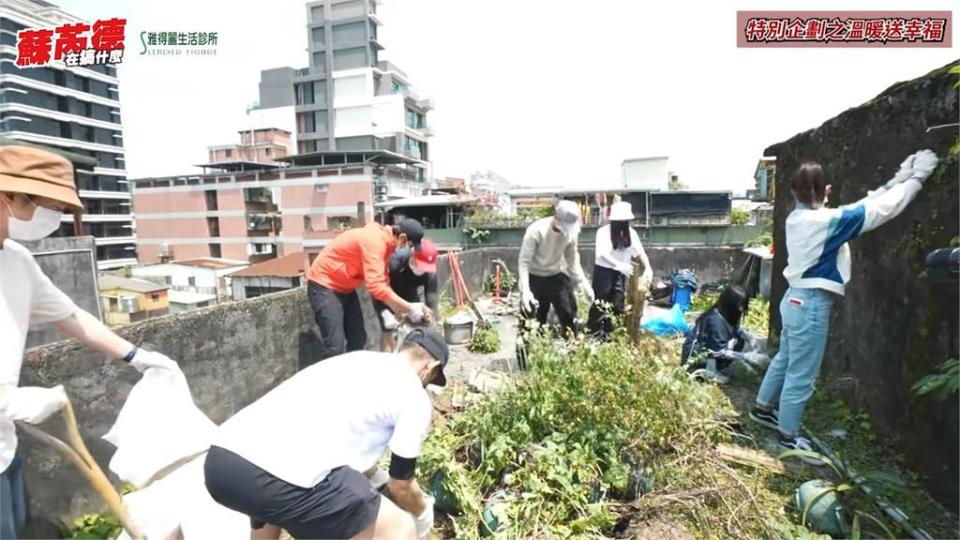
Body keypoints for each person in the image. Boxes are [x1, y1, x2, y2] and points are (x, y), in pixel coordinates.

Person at [0, 146, 178, 540]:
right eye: (41, 202)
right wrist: (11, 401)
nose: (49, 214)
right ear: (7, 195)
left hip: (4, 450)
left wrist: (136, 355)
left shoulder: (16, 261)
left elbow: (71, 317)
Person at [749, 150, 938, 460]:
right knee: (802, 373)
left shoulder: (798, 218)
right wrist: (917, 179)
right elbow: (880, 210)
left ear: (793, 192)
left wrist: (900, 176)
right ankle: (788, 435)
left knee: (785, 359)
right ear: (826, 191)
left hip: (793, 300)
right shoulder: (827, 221)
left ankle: (762, 408)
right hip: (809, 305)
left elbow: (859, 207)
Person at [204, 328, 449, 540]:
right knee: (399, 529)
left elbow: (337, 431)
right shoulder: (413, 393)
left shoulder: (358, 360)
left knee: (278, 504)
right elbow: (401, 484)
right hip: (275, 474)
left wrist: (373, 475)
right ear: (431, 367)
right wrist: (423, 513)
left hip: (224, 462)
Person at [306, 218, 432, 362]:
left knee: (358, 339)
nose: (409, 250)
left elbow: (383, 284)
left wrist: (404, 311)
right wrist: (410, 308)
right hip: (324, 286)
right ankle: (329, 383)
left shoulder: (385, 245)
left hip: (345, 288)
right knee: (335, 348)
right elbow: (377, 287)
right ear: (402, 238)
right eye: (409, 246)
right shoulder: (375, 243)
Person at [517, 199, 592, 336]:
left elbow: (572, 261)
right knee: (529, 322)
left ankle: (572, 351)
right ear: (557, 219)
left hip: (555, 275)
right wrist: (525, 291)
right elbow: (524, 263)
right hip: (534, 277)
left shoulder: (571, 234)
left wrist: (583, 282)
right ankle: (524, 355)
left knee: (569, 317)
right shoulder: (536, 230)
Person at [586, 201, 652, 338]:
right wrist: (617, 264)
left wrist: (648, 268)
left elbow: (639, 253)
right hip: (603, 271)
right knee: (600, 303)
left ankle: (610, 334)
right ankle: (593, 334)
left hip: (620, 273)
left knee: (617, 304)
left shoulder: (631, 234)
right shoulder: (602, 232)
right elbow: (601, 254)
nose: (623, 224)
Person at [680, 285, 768, 384]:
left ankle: (716, 368)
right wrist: (746, 356)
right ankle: (707, 372)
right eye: (740, 305)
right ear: (730, 303)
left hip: (709, 351)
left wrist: (751, 339)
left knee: (739, 339)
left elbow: (735, 328)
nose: (742, 309)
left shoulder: (726, 313)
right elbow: (718, 352)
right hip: (694, 358)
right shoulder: (715, 320)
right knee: (731, 344)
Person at [373, 239, 440, 352]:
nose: (423, 270)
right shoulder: (394, 262)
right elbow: (378, 287)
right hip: (387, 294)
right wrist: (385, 310)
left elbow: (432, 300)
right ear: (412, 257)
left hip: (409, 294)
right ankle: (387, 360)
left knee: (416, 327)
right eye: (421, 266)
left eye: (426, 268)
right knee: (388, 328)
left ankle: (410, 356)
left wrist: (429, 317)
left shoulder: (430, 273)